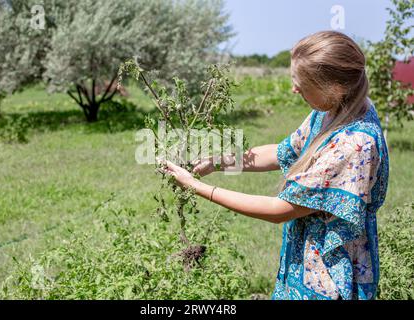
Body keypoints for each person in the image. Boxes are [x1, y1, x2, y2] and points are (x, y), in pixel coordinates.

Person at [162, 31, 389, 300]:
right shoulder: (334, 110)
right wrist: (216, 162)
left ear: (334, 87)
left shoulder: (353, 145)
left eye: (302, 85)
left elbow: (279, 210)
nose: (295, 90)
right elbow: (282, 152)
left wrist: (197, 187)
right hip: (305, 265)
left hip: (329, 280)